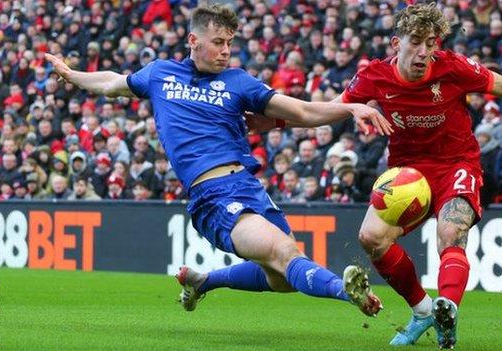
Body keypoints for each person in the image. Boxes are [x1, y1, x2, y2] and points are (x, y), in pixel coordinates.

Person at [251, 3, 502, 348]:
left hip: (456, 164)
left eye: (431, 43)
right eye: (416, 42)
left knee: (450, 231)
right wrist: (274, 121)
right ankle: (424, 310)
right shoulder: (373, 77)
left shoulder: (454, 68)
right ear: (397, 44)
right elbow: (327, 110)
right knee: (371, 237)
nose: (425, 52)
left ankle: (448, 310)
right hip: (407, 173)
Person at [46, 4, 392, 319]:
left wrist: (348, 108)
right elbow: (112, 83)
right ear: (193, 40)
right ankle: (347, 291)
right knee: (284, 252)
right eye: (218, 42)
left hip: (247, 186)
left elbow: (301, 110)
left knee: (283, 277)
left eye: (229, 42)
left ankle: (204, 281)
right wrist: (73, 75)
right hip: (212, 195)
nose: (225, 51)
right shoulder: (160, 74)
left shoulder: (238, 80)